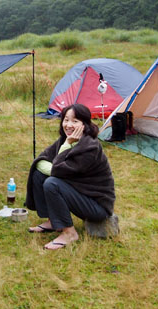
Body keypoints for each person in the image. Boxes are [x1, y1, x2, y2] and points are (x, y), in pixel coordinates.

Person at [26, 103, 115, 250]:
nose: (68, 125)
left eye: (75, 121)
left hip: (97, 205)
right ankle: (53, 221)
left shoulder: (89, 147)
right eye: (66, 120)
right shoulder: (66, 140)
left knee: (52, 183)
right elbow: (41, 161)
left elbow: (58, 170)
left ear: (84, 124)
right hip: (80, 194)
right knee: (39, 174)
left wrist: (66, 146)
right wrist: (58, 158)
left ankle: (69, 233)